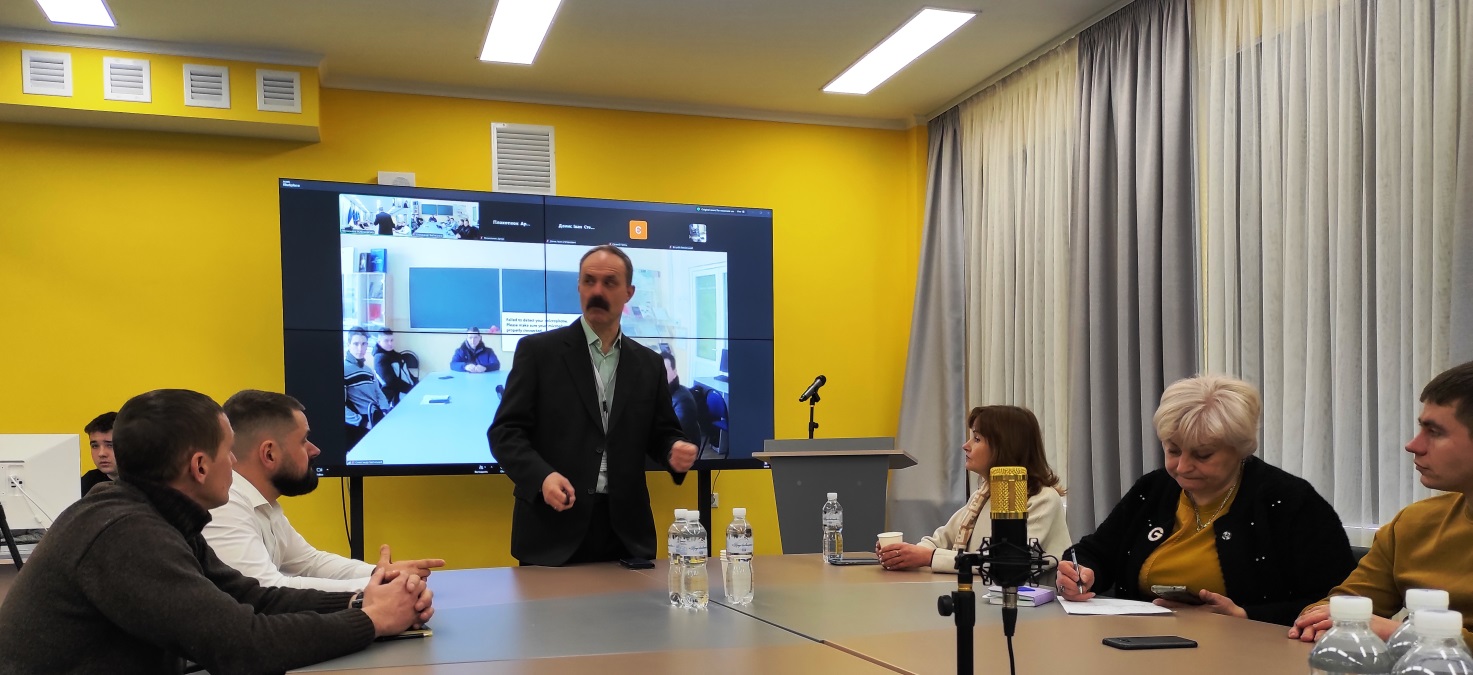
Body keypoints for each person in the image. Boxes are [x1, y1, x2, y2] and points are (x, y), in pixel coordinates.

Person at [0, 389, 433, 674]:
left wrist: (360, 600)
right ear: (200, 466)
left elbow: (253, 596)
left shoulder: (159, 516)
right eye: (229, 452)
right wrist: (371, 620)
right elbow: (242, 645)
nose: (235, 463)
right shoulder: (125, 532)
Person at [1058, 374, 1355, 626]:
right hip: (1142, 644)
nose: (1182, 467)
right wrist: (1081, 573)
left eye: (1202, 455)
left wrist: (1244, 615)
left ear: (1240, 450)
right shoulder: (1154, 488)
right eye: (1173, 451)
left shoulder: (1290, 502)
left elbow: (1336, 602)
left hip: (1250, 653)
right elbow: (1094, 552)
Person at [489, 245, 698, 566]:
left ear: (629, 293)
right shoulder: (538, 352)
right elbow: (505, 433)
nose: (597, 291)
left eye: (609, 283)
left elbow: (661, 433)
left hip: (626, 534)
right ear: (579, 287)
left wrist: (673, 449)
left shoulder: (649, 364)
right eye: (589, 281)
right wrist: (542, 477)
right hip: (552, 528)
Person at [1290, 361, 1473, 644]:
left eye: (1435, 432)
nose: (1413, 445)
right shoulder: (1414, 523)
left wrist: (1402, 634)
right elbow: (1338, 606)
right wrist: (1321, 619)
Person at [205, 389, 445, 592]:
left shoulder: (263, 504)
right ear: (269, 454)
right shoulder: (225, 507)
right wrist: (377, 586)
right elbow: (266, 589)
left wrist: (379, 573)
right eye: (303, 441)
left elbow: (310, 562)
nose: (315, 450)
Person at [877, 405, 1071, 577]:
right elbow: (942, 539)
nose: (966, 446)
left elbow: (1006, 563)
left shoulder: (1042, 499)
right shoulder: (984, 494)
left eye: (977, 439)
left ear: (1005, 447)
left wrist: (929, 557)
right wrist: (902, 554)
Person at [345, 327, 392, 448]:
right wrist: (363, 423)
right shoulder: (343, 370)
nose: (360, 348)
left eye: (364, 344)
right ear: (349, 344)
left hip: (376, 415)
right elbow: (340, 406)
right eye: (356, 344)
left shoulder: (368, 370)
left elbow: (378, 392)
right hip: (360, 424)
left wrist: (385, 411)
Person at [662, 351, 703, 449]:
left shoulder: (683, 402)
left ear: (674, 372)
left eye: (665, 370)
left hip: (680, 451)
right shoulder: (663, 392)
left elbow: (674, 436)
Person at [373, 328, 417, 405]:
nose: (390, 343)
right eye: (386, 341)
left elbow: (408, 374)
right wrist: (412, 390)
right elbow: (392, 383)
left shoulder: (397, 355)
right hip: (396, 399)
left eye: (392, 340)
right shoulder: (380, 358)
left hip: (408, 393)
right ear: (379, 342)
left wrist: (418, 384)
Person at [81, 411, 118, 495]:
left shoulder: (146, 482)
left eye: (110, 445)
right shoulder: (87, 483)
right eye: (95, 446)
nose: (101, 453)